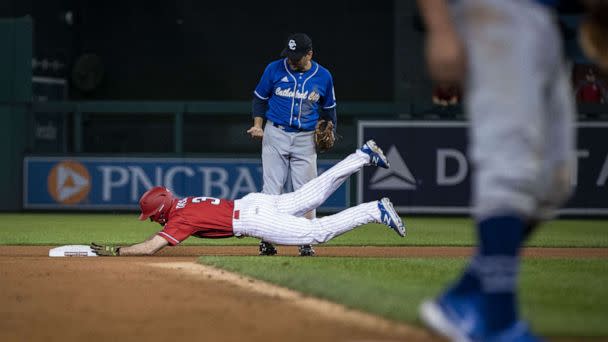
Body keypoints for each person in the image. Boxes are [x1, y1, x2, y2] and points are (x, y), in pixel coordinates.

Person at [416, 0, 576, 341]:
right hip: (496, 11)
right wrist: (440, 26)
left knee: (554, 182)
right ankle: (499, 323)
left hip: (546, 19)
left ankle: (461, 297)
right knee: (510, 170)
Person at [90, 140, 404, 257]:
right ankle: (362, 156)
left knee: (316, 232)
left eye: (152, 215)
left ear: (159, 211)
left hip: (253, 218)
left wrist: (119, 251)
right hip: (254, 203)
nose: (155, 220)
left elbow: (150, 248)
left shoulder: (180, 218)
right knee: (314, 193)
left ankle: (375, 210)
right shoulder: (183, 204)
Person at [246, 33, 337, 257]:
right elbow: (259, 98)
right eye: (289, 55)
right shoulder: (274, 69)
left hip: (306, 138)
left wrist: (329, 128)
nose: (291, 60)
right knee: (271, 190)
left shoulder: (323, 76)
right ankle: (267, 240)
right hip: (275, 133)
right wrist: (258, 125)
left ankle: (305, 240)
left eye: (297, 56)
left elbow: (329, 109)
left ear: (310, 54)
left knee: (306, 192)